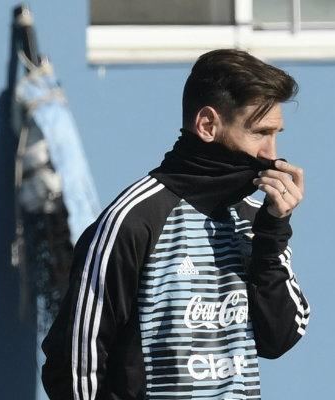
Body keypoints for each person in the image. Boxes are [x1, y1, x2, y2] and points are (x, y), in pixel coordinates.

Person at [42, 49, 310, 400]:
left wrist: (272, 236)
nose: (271, 154)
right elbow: (74, 365)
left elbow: (278, 339)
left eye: (277, 134)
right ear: (207, 125)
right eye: (260, 133)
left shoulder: (255, 219)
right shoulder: (133, 219)